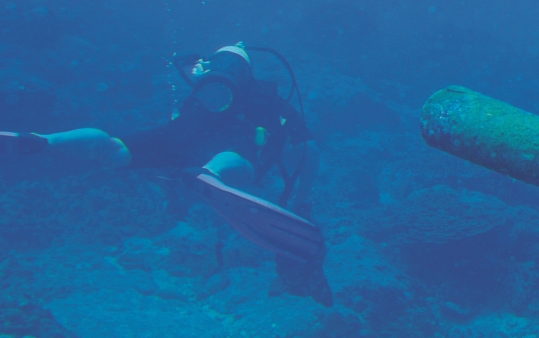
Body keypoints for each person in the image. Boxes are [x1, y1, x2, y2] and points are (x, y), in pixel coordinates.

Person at [1, 43, 332, 306]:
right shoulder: (263, 98)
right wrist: (302, 198)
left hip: (183, 135)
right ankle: (211, 174)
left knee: (114, 149)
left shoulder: (198, 82)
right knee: (241, 162)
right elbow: (310, 150)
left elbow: (179, 119)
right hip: (224, 148)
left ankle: (43, 141)